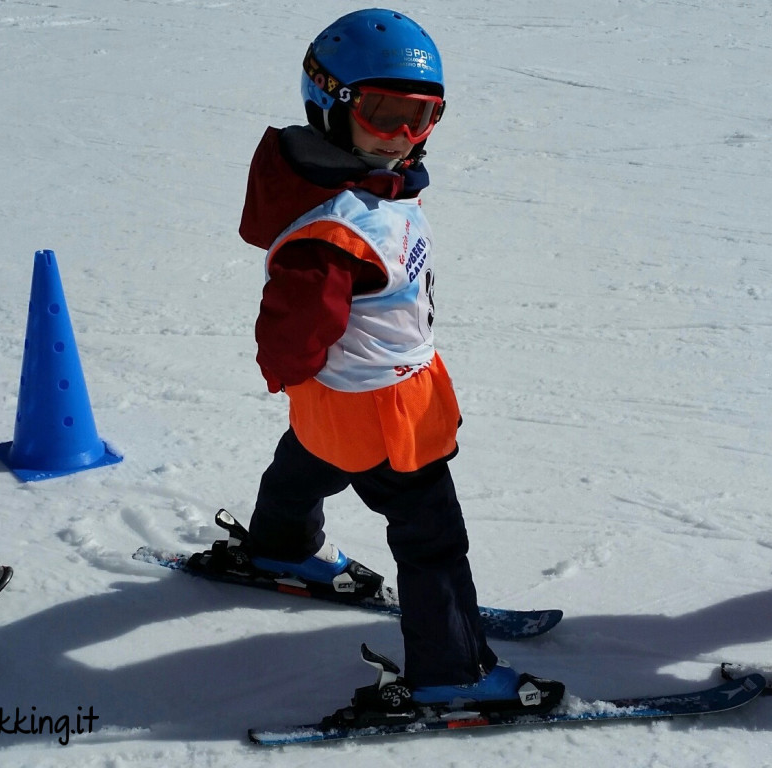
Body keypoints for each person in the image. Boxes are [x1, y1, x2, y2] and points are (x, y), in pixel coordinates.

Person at [222, 8, 562, 714]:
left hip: (342, 403)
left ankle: (278, 544)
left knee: (310, 455)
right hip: (381, 407)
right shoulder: (337, 228)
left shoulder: (365, 190)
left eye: (422, 116)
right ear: (328, 102)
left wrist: (312, 379)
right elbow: (294, 322)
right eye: (384, 114)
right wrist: (291, 366)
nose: (404, 137)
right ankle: (450, 670)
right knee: (430, 535)